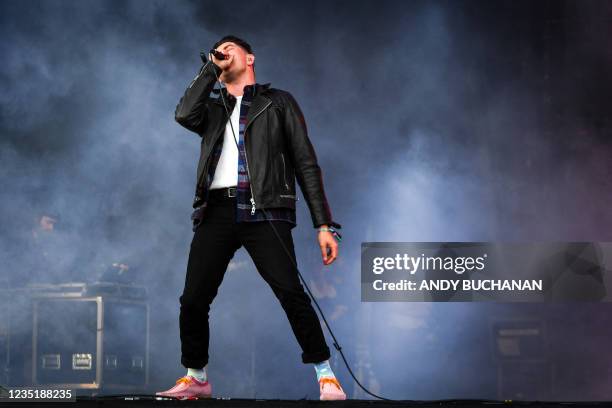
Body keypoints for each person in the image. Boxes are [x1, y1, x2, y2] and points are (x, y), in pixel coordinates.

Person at [156, 35, 346, 401]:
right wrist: (212, 68)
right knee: (193, 298)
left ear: (251, 57)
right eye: (218, 50)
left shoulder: (278, 103)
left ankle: (326, 375)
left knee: (291, 292)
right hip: (217, 210)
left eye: (230, 48)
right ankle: (196, 376)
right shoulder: (212, 110)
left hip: (266, 210)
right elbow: (183, 114)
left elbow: (306, 163)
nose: (223, 52)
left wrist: (323, 224)